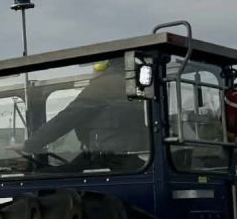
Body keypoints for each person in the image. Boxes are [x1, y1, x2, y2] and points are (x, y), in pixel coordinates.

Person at [18, 60, 147, 167]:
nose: (92, 69)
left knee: (48, 177)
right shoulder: (139, 81)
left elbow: (68, 118)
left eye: (95, 64)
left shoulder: (105, 84)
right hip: (132, 157)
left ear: (103, 64)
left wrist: (30, 144)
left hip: (110, 158)